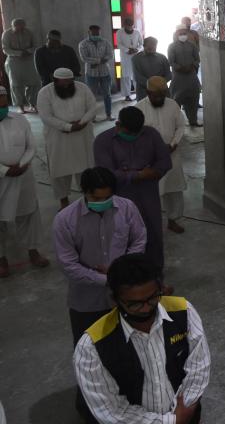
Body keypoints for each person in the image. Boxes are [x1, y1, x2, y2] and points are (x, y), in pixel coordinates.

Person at [53, 167, 146, 418]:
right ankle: (89, 407)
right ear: (84, 193)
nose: (103, 203)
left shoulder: (126, 208)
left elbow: (139, 241)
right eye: (96, 199)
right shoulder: (65, 220)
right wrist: (107, 279)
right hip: (87, 302)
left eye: (107, 198)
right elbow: (69, 265)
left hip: (123, 298)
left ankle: (127, 400)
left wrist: (120, 270)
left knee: (127, 350)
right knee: (90, 356)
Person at [74, 253, 210, 424]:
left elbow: (199, 366)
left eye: (152, 298)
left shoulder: (184, 311)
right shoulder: (92, 348)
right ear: (115, 300)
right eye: (135, 304)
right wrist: (172, 421)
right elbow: (111, 411)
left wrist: (187, 407)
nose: (146, 309)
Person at [94, 107, 172, 272]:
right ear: (118, 125)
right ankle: (125, 275)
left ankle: (155, 274)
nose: (132, 137)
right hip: (119, 198)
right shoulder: (103, 141)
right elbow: (106, 175)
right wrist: (138, 175)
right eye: (129, 133)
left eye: (137, 134)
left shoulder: (151, 134)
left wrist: (154, 171)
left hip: (148, 196)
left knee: (153, 236)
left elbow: (165, 162)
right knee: (122, 238)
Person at [0, 86, 49, 278]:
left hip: (22, 175)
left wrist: (21, 164)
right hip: (2, 179)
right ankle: (2, 258)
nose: (1, 107)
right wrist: (5, 170)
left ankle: (33, 251)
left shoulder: (19, 120)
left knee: (28, 213)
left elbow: (31, 145)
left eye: (3, 103)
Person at [37, 68, 98, 208]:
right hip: (58, 138)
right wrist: (67, 127)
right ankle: (63, 201)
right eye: (63, 83)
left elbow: (92, 107)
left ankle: (88, 198)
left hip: (83, 136)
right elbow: (46, 116)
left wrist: (82, 123)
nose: (66, 85)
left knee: (86, 169)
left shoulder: (82, 88)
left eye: (69, 82)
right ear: (55, 80)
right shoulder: (45, 93)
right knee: (59, 171)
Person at [136, 77, 188, 235]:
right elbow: (136, 134)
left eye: (162, 95)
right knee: (153, 192)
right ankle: (152, 224)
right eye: (156, 95)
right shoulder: (139, 108)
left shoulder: (172, 105)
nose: (160, 98)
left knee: (174, 189)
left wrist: (173, 144)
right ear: (148, 92)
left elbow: (180, 126)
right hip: (150, 159)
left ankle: (173, 220)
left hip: (172, 154)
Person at [2, 18, 42, 112]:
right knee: (16, 85)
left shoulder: (29, 32)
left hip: (29, 61)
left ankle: (33, 104)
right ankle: (20, 107)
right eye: (18, 28)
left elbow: (36, 45)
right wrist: (19, 53)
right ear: (13, 26)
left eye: (22, 28)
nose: (20, 30)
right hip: (13, 61)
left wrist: (28, 51)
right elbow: (5, 49)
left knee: (34, 83)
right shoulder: (7, 34)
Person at [78, 24, 114, 120]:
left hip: (105, 72)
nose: (96, 35)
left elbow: (110, 55)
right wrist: (100, 61)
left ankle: (109, 114)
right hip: (91, 74)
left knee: (107, 94)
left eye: (97, 33)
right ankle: (92, 116)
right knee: (91, 96)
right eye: (94, 33)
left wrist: (96, 62)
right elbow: (84, 58)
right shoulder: (83, 44)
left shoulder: (105, 42)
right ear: (89, 32)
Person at [168, 29, 201, 127]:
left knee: (193, 99)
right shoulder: (172, 46)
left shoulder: (192, 45)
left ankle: (193, 121)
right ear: (176, 35)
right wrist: (180, 68)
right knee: (176, 100)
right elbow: (171, 61)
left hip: (191, 76)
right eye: (180, 34)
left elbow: (197, 59)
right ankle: (175, 123)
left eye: (184, 34)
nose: (183, 36)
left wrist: (191, 67)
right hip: (178, 77)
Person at [116, 19, 144, 101]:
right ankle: (127, 95)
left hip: (136, 56)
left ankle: (138, 93)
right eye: (128, 26)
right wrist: (127, 50)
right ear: (124, 25)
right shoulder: (119, 32)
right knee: (125, 76)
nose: (129, 27)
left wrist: (137, 49)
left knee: (136, 75)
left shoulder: (137, 32)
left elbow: (141, 44)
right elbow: (119, 44)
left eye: (131, 26)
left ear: (133, 25)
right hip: (125, 57)